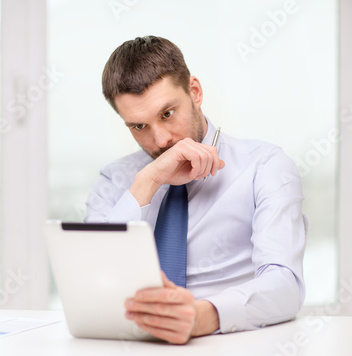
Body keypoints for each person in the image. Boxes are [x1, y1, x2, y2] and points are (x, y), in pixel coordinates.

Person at [85, 36, 306, 345]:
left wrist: (202, 316)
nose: (160, 140)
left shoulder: (264, 167)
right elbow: (91, 281)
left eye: (167, 113)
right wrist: (148, 182)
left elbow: (286, 286)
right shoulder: (116, 181)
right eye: (139, 126)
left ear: (195, 92)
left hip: (228, 342)